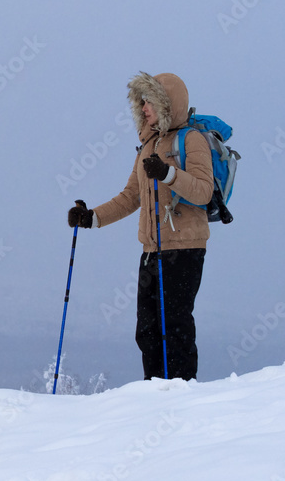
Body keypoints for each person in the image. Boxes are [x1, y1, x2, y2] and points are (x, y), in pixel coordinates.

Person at [67, 72, 213, 380]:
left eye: (149, 101)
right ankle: (155, 390)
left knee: (174, 324)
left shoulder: (192, 140)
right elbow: (130, 197)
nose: (144, 107)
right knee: (147, 328)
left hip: (185, 248)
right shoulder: (149, 146)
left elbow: (203, 191)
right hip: (151, 249)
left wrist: (168, 174)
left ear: (166, 103)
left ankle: (182, 388)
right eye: (141, 101)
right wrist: (91, 217)